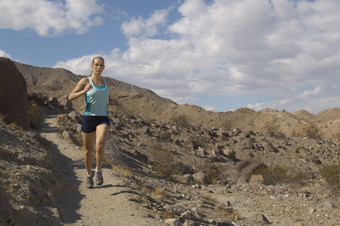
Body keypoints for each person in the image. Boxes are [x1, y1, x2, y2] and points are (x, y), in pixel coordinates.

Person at [68, 56, 114, 188]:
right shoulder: (85, 81)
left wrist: (111, 102)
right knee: (88, 151)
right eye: (96, 65)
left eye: (101, 65)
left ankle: (98, 171)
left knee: (99, 146)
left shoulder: (106, 82)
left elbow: (108, 98)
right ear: (92, 66)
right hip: (89, 118)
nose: (99, 67)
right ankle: (89, 175)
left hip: (103, 118)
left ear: (104, 67)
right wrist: (84, 90)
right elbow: (70, 97)